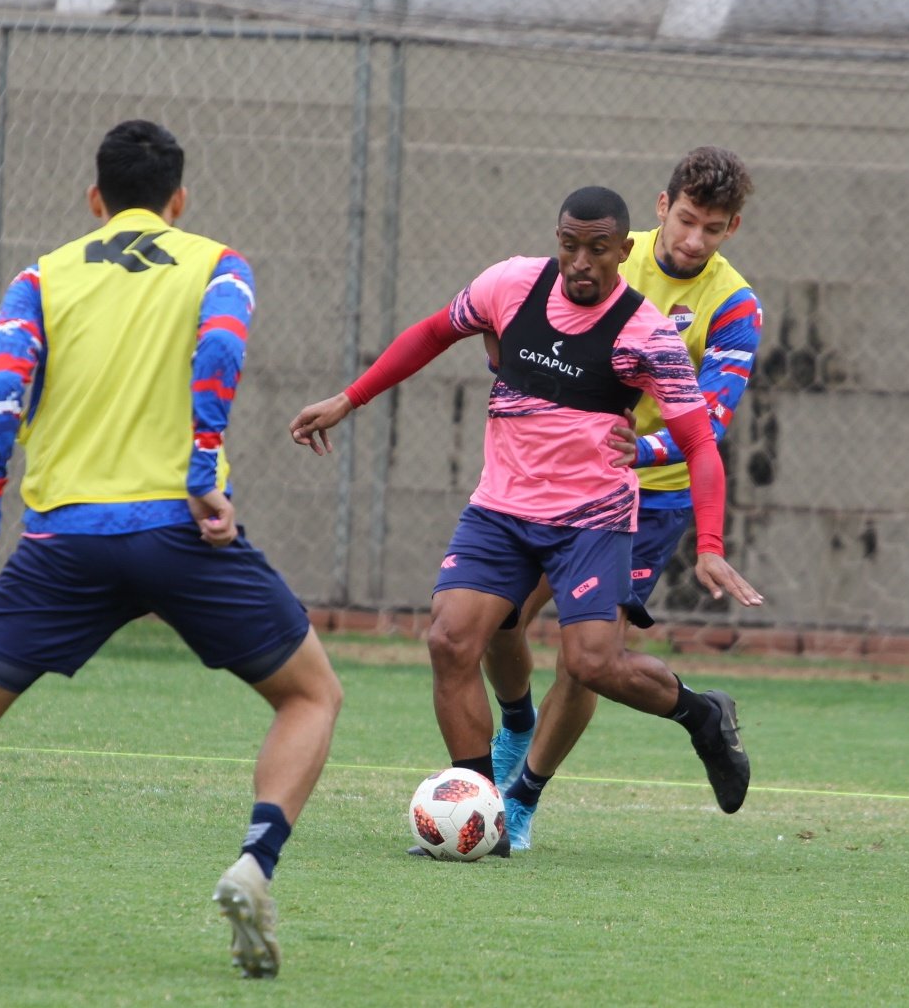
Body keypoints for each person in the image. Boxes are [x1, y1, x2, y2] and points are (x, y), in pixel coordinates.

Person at [0, 120, 343, 979]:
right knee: (310, 695)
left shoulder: (41, 276)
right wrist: (201, 470)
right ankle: (252, 866)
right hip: (176, 528)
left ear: (95, 199)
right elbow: (221, 352)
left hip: (60, 539)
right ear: (178, 200)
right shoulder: (217, 263)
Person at [289, 183, 763, 855]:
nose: (579, 263)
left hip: (592, 519)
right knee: (451, 640)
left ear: (621, 251)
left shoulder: (648, 335)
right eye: (568, 246)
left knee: (592, 664)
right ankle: (483, 814)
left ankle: (700, 713)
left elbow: (699, 444)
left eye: (597, 250)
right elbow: (431, 333)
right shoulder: (509, 284)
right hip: (502, 510)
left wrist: (709, 545)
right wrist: (349, 397)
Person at [482, 147, 761, 849]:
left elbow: (710, 421)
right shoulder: (598, 252)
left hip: (645, 499)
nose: (694, 240)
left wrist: (641, 452)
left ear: (732, 229)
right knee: (496, 618)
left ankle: (520, 802)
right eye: (687, 220)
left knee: (588, 656)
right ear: (663, 208)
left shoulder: (733, 307)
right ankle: (515, 724)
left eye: (714, 228)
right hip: (554, 481)